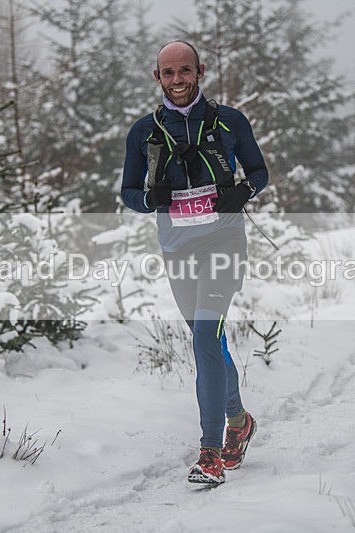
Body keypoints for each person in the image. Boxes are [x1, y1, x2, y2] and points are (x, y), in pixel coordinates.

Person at [121, 40, 268, 484]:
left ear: (199, 71)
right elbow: (128, 193)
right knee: (210, 344)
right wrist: (152, 199)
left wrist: (243, 192)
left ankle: (210, 453)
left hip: (223, 239)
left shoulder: (229, 121)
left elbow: (258, 172)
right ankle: (239, 421)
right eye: (169, 73)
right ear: (157, 78)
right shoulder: (144, 132)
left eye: (185, 71)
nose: (178, 80)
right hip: (177, 248)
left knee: (206, 334)